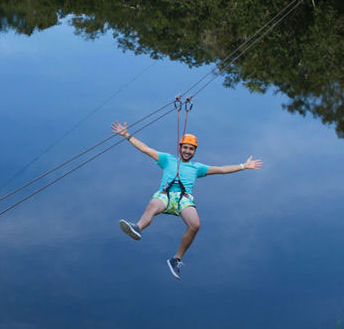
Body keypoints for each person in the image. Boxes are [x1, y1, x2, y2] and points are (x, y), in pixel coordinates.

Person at [110, 120, 263, 279]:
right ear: (180, 148)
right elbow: (145, 149)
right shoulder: (167, 159)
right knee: (153, 205)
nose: (188, 151)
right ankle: (137, 227)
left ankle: (176, 259)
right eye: (185, 148)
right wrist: (127, 135)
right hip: (166, 194)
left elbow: (222, 170)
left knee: (195, 225)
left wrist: (243, 166)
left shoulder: (197, 168)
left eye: (191, 149)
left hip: (184, 199)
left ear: (194, 151)